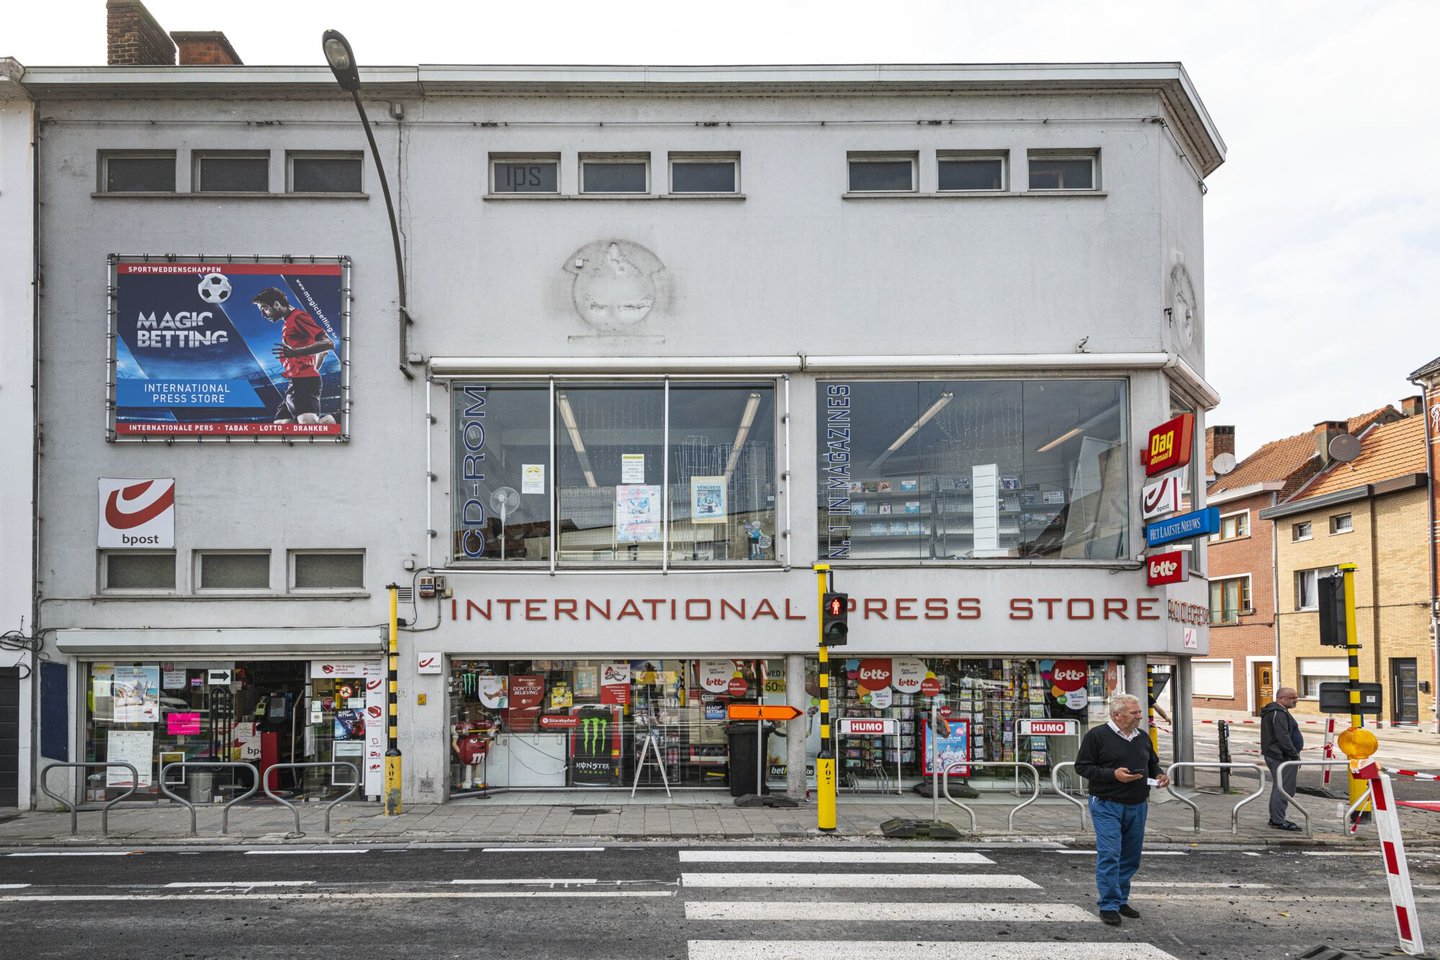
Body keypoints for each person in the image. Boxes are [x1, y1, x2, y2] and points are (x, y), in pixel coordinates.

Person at [1075, 692, 1170, 926]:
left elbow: (1152, 762)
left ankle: (1120, 899)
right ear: (1117, 715)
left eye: (1139, 712)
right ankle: (1108, 903)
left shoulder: (1142, 737)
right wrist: (1112, 775)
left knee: (1131, 856)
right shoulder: (1097, 736)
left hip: (1138, 803)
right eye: (1134, 713)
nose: (1140, 716)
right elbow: (1082, 767)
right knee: (1110, 853)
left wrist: (1159, 774)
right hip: (1107, 802)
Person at [251, 287, 336, 425]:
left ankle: (338, 418)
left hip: (303, 383)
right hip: (297, 382)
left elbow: (328, 343)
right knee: (281, 425)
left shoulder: (298, 317)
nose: (263, 315)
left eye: (265, 309)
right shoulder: (289, 321)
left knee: (308, 426)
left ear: (277, 304)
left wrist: (295, 352)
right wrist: (318, 358)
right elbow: (304, 361)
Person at [1261, 686, 1304, 830]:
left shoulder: (1278, 712)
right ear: (1282, 698)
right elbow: (1282, 737)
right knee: (1284, 788)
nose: (1296, 700)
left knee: (1282, 787)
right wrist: (1293, 754)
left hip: (1281, 755)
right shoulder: (1277, 713)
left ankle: (1277, 818)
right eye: (1293, 698)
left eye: (1296, 697)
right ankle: (1278, 820)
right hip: (1281, 757)